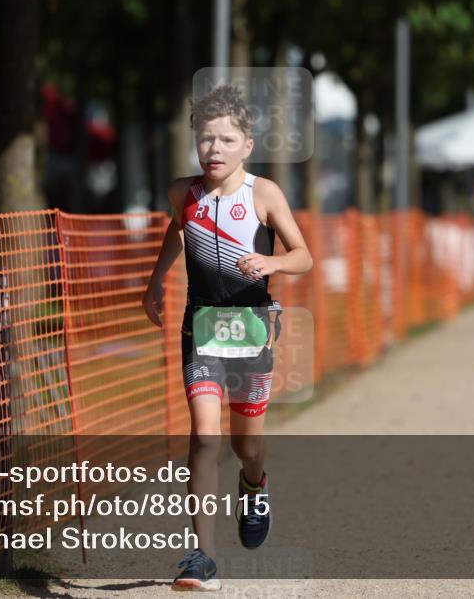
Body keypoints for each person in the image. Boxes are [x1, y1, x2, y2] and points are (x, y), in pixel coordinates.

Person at [143, 84, 313, 591]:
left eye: (225, 139)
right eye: (204, 139)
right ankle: (202, 557)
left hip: (252, 328)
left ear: (247, 146)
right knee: (203, 437)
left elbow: (303, 254)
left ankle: (254, 485)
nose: (213, 149)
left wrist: (273, 261)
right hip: (202, 327)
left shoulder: (263, 194)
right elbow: (178, 229)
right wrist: (156, 279)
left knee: (248, 445)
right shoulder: (183, 193)